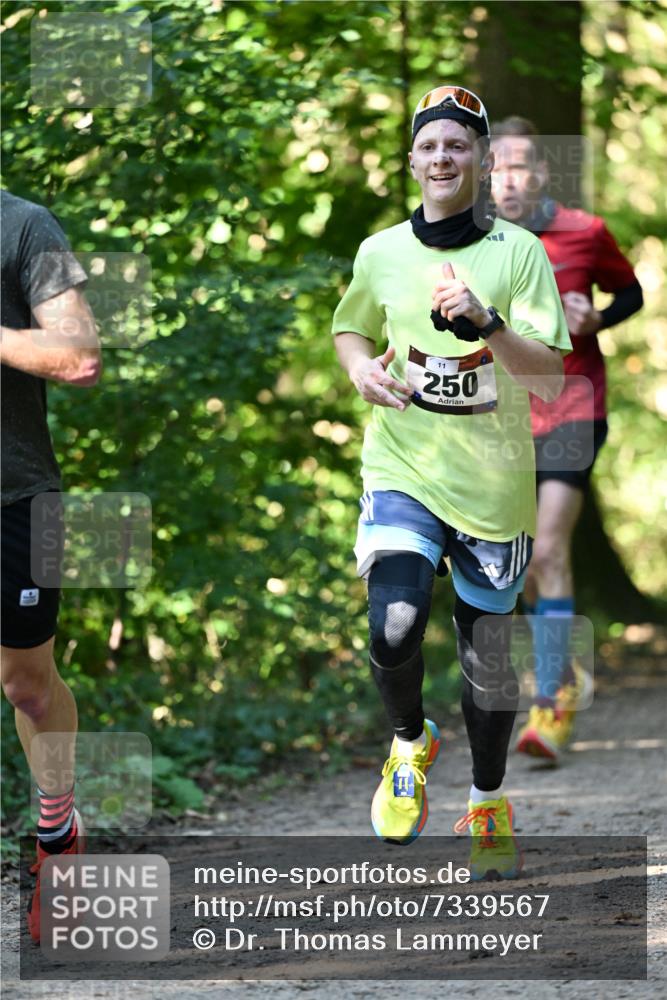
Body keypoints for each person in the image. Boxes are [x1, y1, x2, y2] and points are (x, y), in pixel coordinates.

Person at [332, 86, 570, 878]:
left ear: (479, 159)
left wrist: (489, 322)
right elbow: (350, 327)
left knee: (486, 665)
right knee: (393, 626)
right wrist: (361, 369)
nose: (442, 157)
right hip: (402, 466)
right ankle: (408, 742)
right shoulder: (379, 253)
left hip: (494, 482)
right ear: (412, 161)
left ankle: (487, 800)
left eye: (457, 145)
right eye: (429, 146)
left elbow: (546, 378)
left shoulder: (517, 255)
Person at [491, 118, 643, 761]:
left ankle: (550, 702)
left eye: (520, 166)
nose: (508, 179)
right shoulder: (473, 242)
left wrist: (598, 316)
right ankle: (562, 669)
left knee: (550, 546)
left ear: (543, 172)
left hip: (573, 407)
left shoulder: (584, 232)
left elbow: (629, 290)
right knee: (520, 559)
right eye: (495, 167)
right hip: (498, 419)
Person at [0, 190, 101, 941]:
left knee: (26, 684)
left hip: (14, 495)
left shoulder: (24, 225)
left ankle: (58, 836)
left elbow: (77, 354)